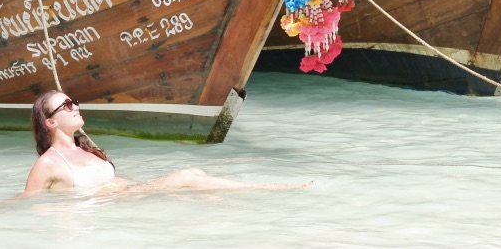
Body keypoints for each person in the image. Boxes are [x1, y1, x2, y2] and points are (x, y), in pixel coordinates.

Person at [23, 90, 303, 195]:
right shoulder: (49, 163)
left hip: (129, 195)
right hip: (118, 207)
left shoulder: (85, 149)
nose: (75, 106)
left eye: (75, 101)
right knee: (186, 177)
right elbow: (28, 201)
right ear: (50, 122)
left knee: (197, 177)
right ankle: (268, 188)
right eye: (67, 105)